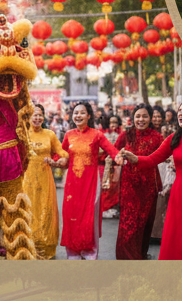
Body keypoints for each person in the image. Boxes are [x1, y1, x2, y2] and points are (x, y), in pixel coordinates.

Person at [118, 99, 182, 260]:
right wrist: (135, 159)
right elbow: (153, 159)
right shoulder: (174, 138)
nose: (180, 112)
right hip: (179, 192)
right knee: (176, 234)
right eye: (179, 110)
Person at [59, 101, 120, 259]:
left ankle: (89, 252)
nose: (78, 115)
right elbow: (61, 154)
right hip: (72, 182)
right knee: (71, 215)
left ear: (89, 116)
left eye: (81, 112)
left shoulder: (96, 134)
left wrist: (119, 157)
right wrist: (56, 160)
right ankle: (73, 252)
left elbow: (111, 149)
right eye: (75, 113)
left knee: (89, 216)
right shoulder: (68, 135)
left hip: (91, 182)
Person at [112, 105, 165, 260]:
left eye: (144, 116)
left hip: (148, 186)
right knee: (128, 221)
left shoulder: (157, 137)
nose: (141, 120)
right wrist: (119, 158)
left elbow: (164, 156)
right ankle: (126, 256)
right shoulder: (126, 135)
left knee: (144, 221)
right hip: (129, 185)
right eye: (138, 116)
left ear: (150, 118)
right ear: (133, 118)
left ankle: (140, 254)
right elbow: (114, 152)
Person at [20, 102, 67, 259]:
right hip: (26, 178)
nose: (37, 117)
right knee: (28, 210)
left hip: (45, 178)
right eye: (34, 114)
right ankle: (27, 246)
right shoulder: (23, 133)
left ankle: (45, 247)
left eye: (40, 114)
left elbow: (62, 152)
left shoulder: (50, 135)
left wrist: (58, 160)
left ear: (43, 117)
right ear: (29, 116)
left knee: (45, 211)